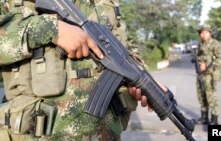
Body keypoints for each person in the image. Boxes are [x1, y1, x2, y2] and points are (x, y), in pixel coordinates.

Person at [0, 0, 168, 141]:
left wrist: (141, 79)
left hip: (105, 134)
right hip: (38, 133)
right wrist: (51, 29)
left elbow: (124, 48)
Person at [195, 24, 221, 125]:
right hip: (200, 75)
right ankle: (204, 117)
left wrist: (207, 65)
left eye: (205, 32)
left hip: (210, 75)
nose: (202, 34)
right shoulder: (200, 44)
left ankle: (214, 120)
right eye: (201, 32)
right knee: (201, 96)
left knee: (211, 97)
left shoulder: (215, 44)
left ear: (210, 33)